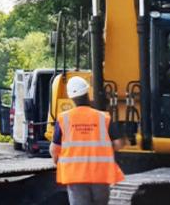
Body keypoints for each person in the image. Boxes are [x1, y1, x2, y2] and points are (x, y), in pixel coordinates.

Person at [50, 77, 125, 205]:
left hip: (75, 175)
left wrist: (59, 162)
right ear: (87, 93)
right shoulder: (103, 117)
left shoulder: (64, 118)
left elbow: (54, 149)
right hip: (100, 175)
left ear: (71, 97)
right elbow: (118, 144)